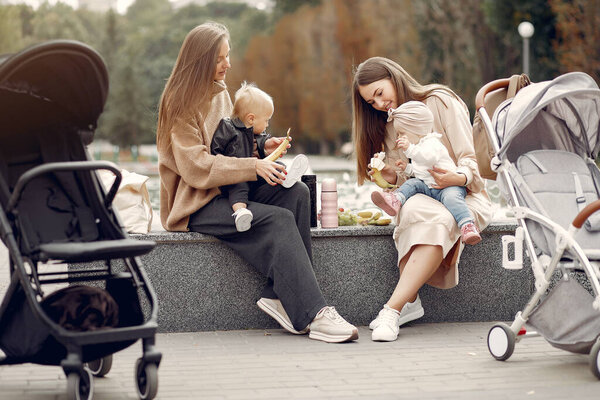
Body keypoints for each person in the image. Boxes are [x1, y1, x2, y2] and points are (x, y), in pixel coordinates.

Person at [156, 22, 358, 343]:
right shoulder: (178, 105)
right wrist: (254, 166)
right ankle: (313, 313)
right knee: (277, 220)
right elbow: (196, 167)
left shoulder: (221, 95)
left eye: (228, 56)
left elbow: (232, 144)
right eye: (220, 58)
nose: (228, 64)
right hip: (196, 204)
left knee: (297, 192)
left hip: (230, 191)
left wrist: (262, 147)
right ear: (200, 61)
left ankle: (278, 295)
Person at [352, 56, 492, 342]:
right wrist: (389, 176)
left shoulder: (441, 102)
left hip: (464, 193)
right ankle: (408, 301)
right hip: (423, 192)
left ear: (394, 77)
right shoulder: (389, 125)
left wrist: (457, 178)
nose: (379, 105)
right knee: (414, 207)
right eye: (371, 102)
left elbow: (473, 164)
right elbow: (410, 178)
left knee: (443, 217)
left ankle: (393, 308)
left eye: (379, 93)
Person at [370, 100, 481, 245]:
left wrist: (409, 149)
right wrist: (407, 168)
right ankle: (395, 200)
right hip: (429, 186)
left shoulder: (432, 143)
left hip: (448, 186)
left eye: (402, 133)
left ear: (417, 129)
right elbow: (422, 171)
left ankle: (467, 225)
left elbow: (428, 158)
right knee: (413, 183)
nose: (399, 138)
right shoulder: (419, 146)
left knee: (452, 199)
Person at [210, 81, 309, 232]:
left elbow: (259, 142)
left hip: (253, 174)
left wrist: (267, 144)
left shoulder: (254, 132)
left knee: (276, 167)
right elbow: (216, 150)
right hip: (236, 176)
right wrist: (230, 164)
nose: (267, 124)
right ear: (251, 119)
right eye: (266, 120)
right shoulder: (228, 127)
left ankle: (285, 177)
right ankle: (240, 212)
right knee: (239, 187)